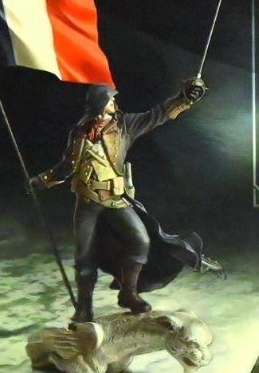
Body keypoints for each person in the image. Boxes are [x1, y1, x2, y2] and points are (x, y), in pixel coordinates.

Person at [32, 77, 208, 322]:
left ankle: (129, 293)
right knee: (84, 255)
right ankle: (84, 309)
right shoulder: (79, 132)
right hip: (87, 201)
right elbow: (67, 167)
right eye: (110, 99)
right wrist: (42, 180)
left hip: (115, 199)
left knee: (140, 240)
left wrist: (184, 98)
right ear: (99, 104)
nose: (114, 102)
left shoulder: (125, 126)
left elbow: (157, 114)